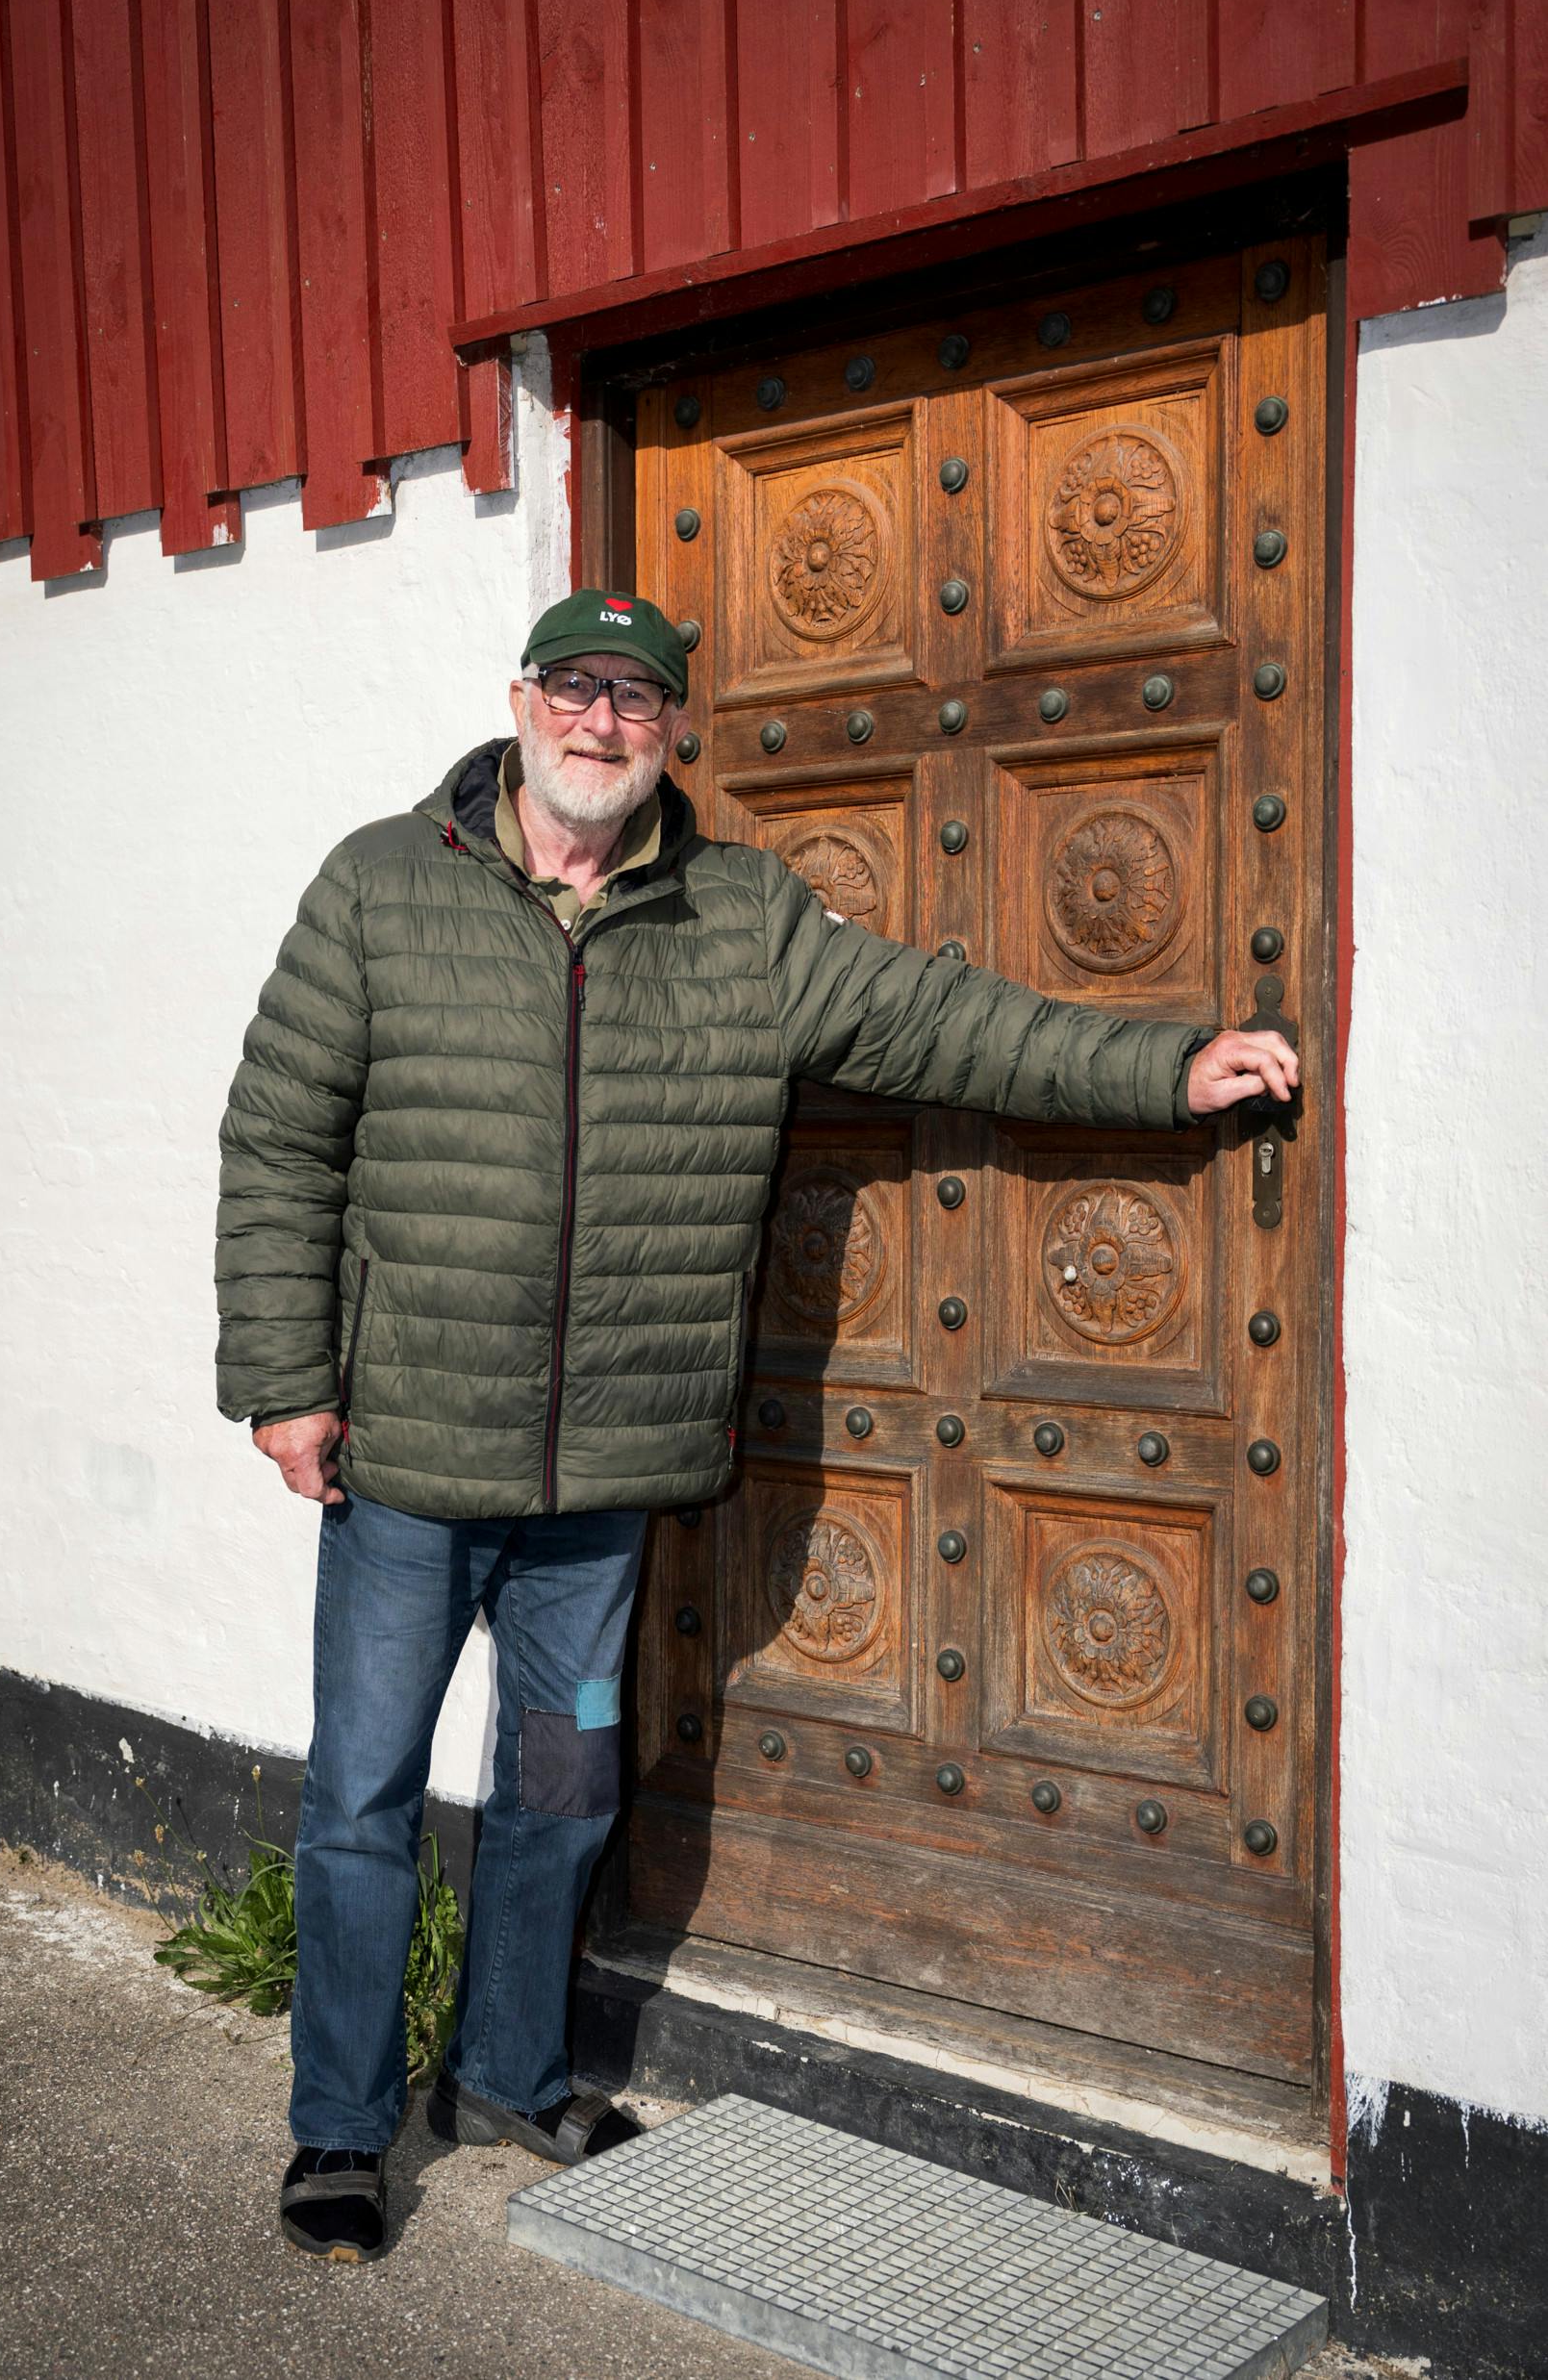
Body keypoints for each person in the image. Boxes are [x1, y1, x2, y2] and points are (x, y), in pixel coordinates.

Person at [215, 588, 1299, 2262]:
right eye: (574, 690)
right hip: (411, 1469)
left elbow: (944, 1020)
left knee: (562, 1793)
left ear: (670, 735)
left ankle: (508, 2070)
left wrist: (1163, 1069)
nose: (600, 724)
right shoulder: (379, 885)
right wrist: (289, 1384)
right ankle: (341, 2129)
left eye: (636, 703)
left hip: (606, 1481)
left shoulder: (743, 916)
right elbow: (280, 1141)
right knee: (361, 1798)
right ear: (519, 705)